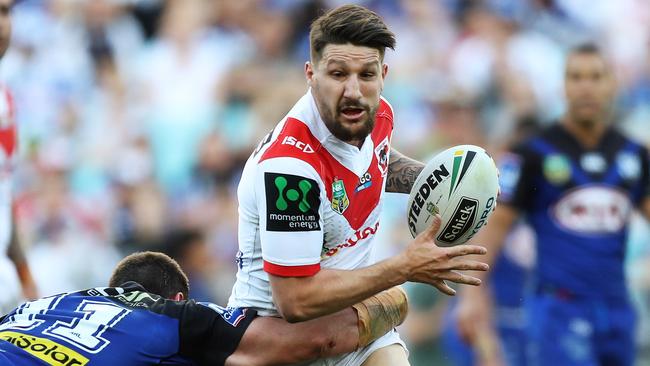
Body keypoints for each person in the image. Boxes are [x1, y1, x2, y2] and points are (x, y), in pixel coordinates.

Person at [227, 4, 489, 365]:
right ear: (311, 74)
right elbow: (295, 300)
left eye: (366, 75)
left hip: (355, 328)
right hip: (281, 341)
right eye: (338, 74)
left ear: (383, 74)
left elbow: (376, 159)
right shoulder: (290, 170)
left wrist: (445, 183)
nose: (353, 90)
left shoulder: (379, 114)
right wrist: (404, 267)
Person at [456, 43, 650, 366]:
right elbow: (494, 228)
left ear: (612, 84)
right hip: (559, 309)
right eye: (576, 77)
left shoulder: (633, 154)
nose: (586, 86)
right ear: (563, 86)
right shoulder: (531, 154)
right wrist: (472, 295)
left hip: (617, 306)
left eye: (596, 77)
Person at [0, 251, 410, 365]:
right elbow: (315, 341)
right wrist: (398, 289)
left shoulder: (38, 307)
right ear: (179, 297)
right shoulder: (173, 315)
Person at [0, 0, 37, 315]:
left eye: (5, 11)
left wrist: (24, 273)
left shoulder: (5, 98)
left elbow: (3, 191)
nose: (2, 23)